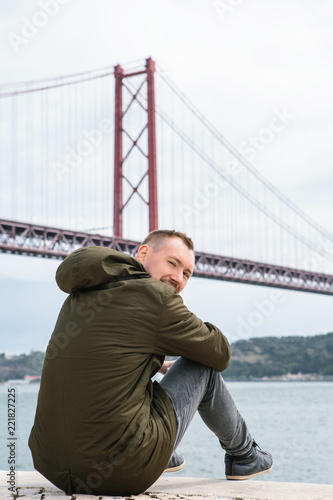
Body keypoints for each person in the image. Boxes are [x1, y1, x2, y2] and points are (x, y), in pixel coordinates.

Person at [29, 229, 273, 496]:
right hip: (121, 470)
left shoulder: (80, 294)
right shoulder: (156, 297)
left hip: (52, 465)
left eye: (187, 273)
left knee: (135, 375)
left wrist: (155, 363)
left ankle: (163, 456)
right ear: (143, 253)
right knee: (202, 365)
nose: (178, 279)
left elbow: (101, 358)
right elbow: (220, 353)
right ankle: (244, 456)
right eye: (173, 263)